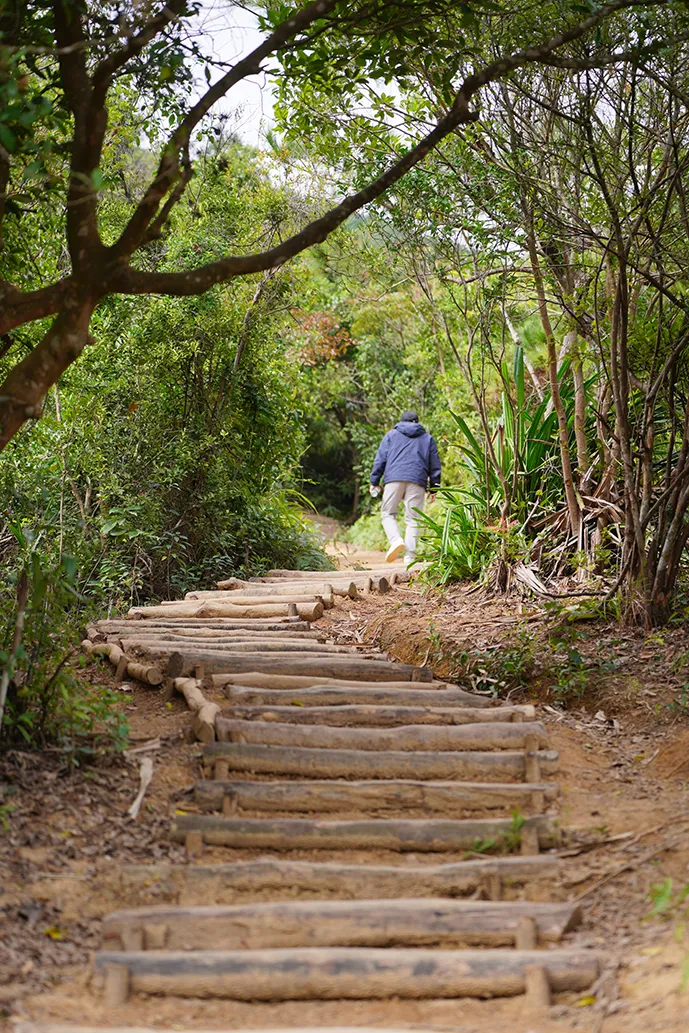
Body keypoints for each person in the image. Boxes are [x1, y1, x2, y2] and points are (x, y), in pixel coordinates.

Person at [369, 409, 441, 564]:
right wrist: (434, 488)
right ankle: (409, 557)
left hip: (393, 479)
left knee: (388, 514)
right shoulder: (427, 439)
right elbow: (435, 465)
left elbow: (380, 459)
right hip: (417, 480)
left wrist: (374, 481)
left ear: (401, 422)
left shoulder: (391, 435)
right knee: (413, 519)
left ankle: (395, 541)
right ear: (417, 422)